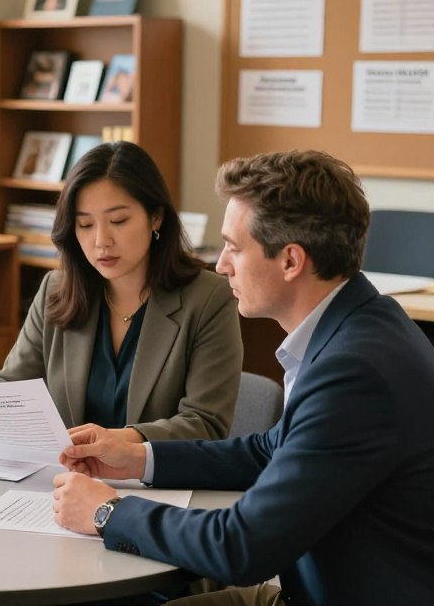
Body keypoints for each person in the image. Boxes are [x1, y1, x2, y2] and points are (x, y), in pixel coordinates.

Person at [52, 150, 434, 606]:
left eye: (234, 246)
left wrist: (106, 510)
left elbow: (240, 546)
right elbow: (269, 449)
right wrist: (138, 458)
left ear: (291, 261)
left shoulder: (354, 372)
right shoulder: (361, 325)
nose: (221, 265)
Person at [0, 141, 243, 449]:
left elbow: (206, 423)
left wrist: (117, 442)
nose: (101, 241)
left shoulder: (209, 298)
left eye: (118, 221)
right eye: (85, 224)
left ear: (155, 218)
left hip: (156, 486)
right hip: (63, 482)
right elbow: (10, 388)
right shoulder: (56, 290)